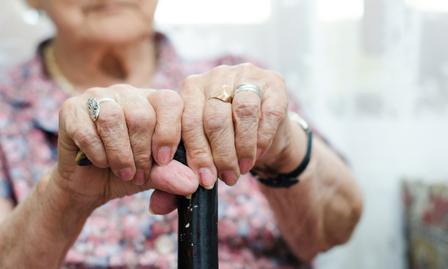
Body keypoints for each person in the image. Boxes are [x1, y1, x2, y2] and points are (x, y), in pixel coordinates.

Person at [0, 1, 363, 268]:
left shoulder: (242, 84)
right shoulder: (6, 110)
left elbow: (336, 229)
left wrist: (283, 145)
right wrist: (64, 196)